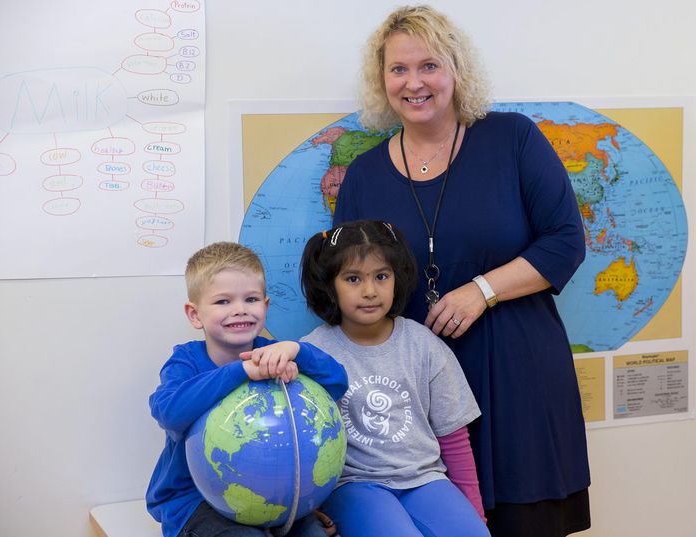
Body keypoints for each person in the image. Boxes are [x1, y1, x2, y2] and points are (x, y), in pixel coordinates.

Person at [331, 5, 591, 537]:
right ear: (381, 82)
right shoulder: (362, 176)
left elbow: (565, 241)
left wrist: (482, 290)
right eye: (398, 69)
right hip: (408, 389)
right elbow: (344, 276)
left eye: (429, 65)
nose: (414, 82)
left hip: (517, 370)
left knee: (526, 522)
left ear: (456, 70)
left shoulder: (513, 139)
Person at [300, 220, 489, 537]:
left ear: (395, 280)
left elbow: (454, 438)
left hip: (425, 480)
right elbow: (302, 444)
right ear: (331, 286)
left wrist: (476, 515)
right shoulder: (313, 352)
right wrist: (307, 507)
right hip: (355, 486)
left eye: (381, 277)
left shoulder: (423, 344)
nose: (370, 291)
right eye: (353, 279)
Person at [146, 242, 348, 537]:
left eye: (250, 299)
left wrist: (298, 351)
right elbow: (169, 413)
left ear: (265, 306)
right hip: (194, 501)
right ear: (194, 314)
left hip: (272, 498)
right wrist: (241, 371)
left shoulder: (276, 353)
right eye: (223, 302)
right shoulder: (185, 361)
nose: (239, 310)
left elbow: (338, 383)